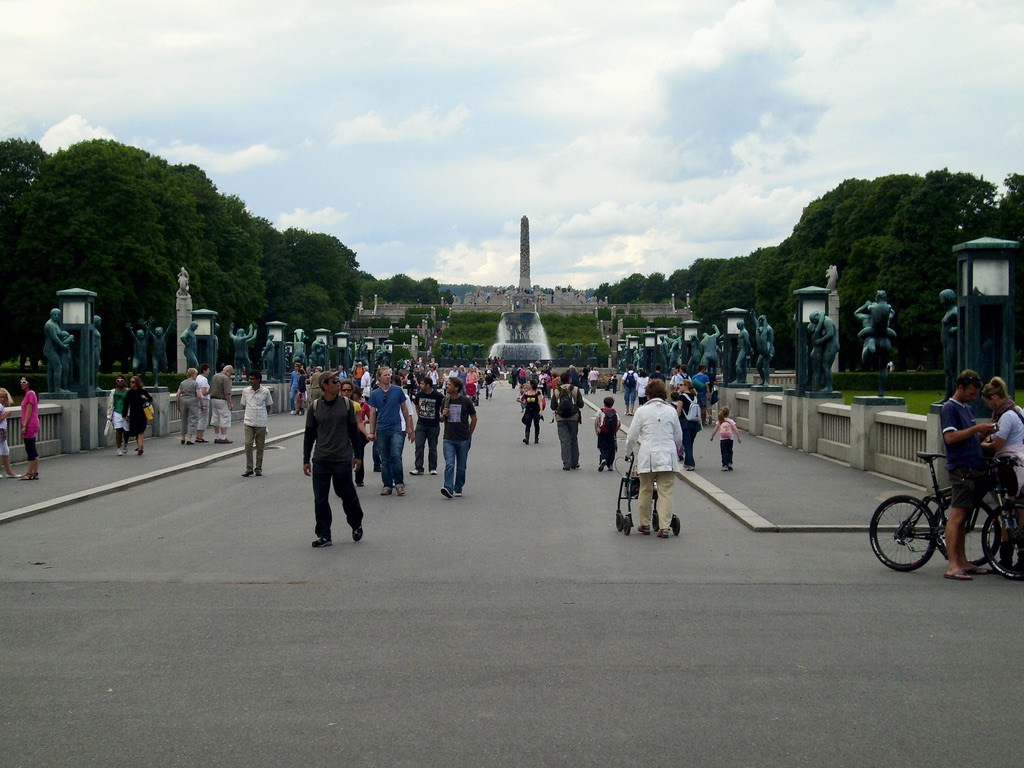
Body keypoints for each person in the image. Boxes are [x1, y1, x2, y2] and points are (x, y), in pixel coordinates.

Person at [940, 370, 997, 580]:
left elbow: (969, 438)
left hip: (972, 466)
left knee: (964, 517)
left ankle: (962, 561)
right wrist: (976, 429)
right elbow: (951, 438)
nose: (974, 397)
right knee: (957, 517)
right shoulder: (950, 408)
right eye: (971, 393)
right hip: (961, 468)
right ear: (961, 388)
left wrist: (984, 433)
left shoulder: (966, 408)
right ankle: (952, 565)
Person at [303, 372, 365, 548]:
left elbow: (354, 432)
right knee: (320, 498)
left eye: (338, 381)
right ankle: (324, 534)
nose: (338, 384)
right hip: (321, 458)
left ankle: (356, 523)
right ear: (324, 385)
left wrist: (358, 455)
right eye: (334, 382)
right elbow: (309, 435)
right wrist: (306, 459)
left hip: (342, 458)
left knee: (347, 494)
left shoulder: (346, 405)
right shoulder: (314, 407)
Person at [624, 379, 682, 537]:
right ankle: (664, 526)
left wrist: (628, 453)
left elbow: (631, 437)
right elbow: (678, 436)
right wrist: (676, 450)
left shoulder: (642, 411)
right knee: (665, 492)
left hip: (648, 456)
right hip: (668, 456)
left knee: (645, 490)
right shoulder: (671, 410)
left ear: (648, 394)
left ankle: (645, 523)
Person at [980, 376, 1024, 571]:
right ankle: (1015, 558)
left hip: (1010, 466)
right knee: (1016, 509)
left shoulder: (1005, 416)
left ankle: (1008, 558)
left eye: (987, 403)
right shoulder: (1018, 410)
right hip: (1020, 465)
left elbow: (997, 445)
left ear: (993, 398)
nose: (989, 408)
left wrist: (981, 444)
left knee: (1007, 511)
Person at [366, 366, 415, 497]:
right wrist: (371, 431)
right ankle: (387, 484)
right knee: (385, 459)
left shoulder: (398, 391)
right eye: (385, 375)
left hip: (396, 428)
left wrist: (409, 427)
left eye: (389, 375)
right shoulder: (375, 394)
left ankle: (399, 484)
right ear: (379, 378)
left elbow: (405, 409)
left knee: (395, 455)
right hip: (382, 429)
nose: (388, 377)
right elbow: (372, 413)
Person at [439, 376, 477, 499]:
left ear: (456, 388)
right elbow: (440, 419)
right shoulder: (445, 401)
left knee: (461, 466)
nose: (447, 386)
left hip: (463, 439)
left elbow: (474, 418)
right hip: (448, 438)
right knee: (449, 464)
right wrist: (443, 415)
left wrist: (469, 433)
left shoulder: (466, 401)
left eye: (449, 384)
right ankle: (448, 487)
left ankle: (458, 487)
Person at [241, 370, 274, 477]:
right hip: (248, 421)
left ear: (258, 380)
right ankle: (249, 468)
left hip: (261, 423)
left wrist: (263, 415)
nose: (250, 381)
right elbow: (243, 405)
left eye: (252, 379)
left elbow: (269, 405)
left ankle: (258, 468)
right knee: (248, 444)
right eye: (249, 379)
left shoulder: (265, 392)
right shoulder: (246, 391)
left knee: (260, 446)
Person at [550, 370, 584, 471]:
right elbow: (580, 404)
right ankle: (574, 462)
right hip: (573, 418)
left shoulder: (557, 391)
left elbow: (553, 406)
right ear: (569, 379)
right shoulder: (575, 389)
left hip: (561, 418)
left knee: (564, 441)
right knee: (573, 439)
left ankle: (566, 463)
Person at [409, 377, 444, 476]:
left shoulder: (438, 396)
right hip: (421, 424)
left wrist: (442, 415)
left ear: (428, 385)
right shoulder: (419, 395)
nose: (420, 385)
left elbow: (444, 405)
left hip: (433, 425)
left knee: (433, 447)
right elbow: (416, 405)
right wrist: (419, 413)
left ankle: (433, 467)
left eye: (422, 384)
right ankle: (418, 467)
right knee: (419, 446)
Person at [343, 380, 371, 487]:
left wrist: (368, 431)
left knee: (359, 455)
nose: (355, 400)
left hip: (360, 434)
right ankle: (347, 479)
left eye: (356, 398)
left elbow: (369, 418)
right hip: (347, 434)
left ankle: (359, 479)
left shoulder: (363, 406)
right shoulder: (345, 405)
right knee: (348, 457)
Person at [16, 378, 41, 479]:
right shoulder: (32, 393)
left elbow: (29, 411)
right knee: (33, 448)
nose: (21, 384)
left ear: (29, 384)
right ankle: (35, 472)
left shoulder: (30, 394)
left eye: (24, 382)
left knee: (29, 448)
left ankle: (29, 473)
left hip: (30, 424)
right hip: (34, 423)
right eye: (21, 382)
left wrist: (24, 425)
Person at [123, 375, 153, 456]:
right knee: (136, 431)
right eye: (130, 382)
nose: (131, 383)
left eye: (133, 382)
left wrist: (145, 398)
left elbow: (150, 399)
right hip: (133, 414)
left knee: (140, 431)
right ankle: (139, 446)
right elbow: (126, 404)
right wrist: (124, 414)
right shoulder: (129, 393)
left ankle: (140, 447)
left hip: (142, 414)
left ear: (137, 383)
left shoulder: (143, 392)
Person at [675, 378, 701, 471]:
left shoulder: (682, 397)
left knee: (686, 443)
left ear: (686, 386)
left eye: (681, 385)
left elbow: (678, 411)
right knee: (690, 443)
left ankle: (690, 463)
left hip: (685, 422)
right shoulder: (695, 397)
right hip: (695, 423)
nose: (679, 386)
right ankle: (687, 462)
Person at [44, 308, 72, 393]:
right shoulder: (50, 324)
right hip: (50, 349)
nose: (56, 316)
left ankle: (51, 389)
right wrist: (63, 345)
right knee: (58, 367)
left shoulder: (55, 324)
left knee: (51, 368)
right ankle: (57, 389)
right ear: (51, 315)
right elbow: (55, 337)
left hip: (54, 349)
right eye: (54, 314)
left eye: (58, 315)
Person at [709, 405, 741, 471]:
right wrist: (739, 437)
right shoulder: (731, 421)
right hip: (730, 438)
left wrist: (712, 436)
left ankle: (724, 465)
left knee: (723, 452)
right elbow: (736, 429)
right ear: (729, 413)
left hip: (722, 439)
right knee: (730, 451)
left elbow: (715, 429)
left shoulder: (720, 421)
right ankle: (729, 462)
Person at [208, 365, 234, 444]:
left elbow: (210, 388)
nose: (230, 375)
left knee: (216, 418)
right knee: (224, 418)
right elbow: (227, 392)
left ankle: (217, 437)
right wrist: (230, 403)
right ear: (228, 371)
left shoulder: (214, 376)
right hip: (222, 400)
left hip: (213, 399)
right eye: (231, 373)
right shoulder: (225, 378)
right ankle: (223, 437)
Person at [940, 289, 958, 402]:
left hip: (952, 343)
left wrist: (956, 329)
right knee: (947, 371)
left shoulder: (955, 310)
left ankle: (954, 397)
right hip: (946, 344)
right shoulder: (949, 311)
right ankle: (948, 397)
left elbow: (966, 323)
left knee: (952, 371)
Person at [106, 375, 130, 456]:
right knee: (118, 430)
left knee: (126, 431)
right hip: (117, 412)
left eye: (121, 380)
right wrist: (109, 415)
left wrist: (129, 413)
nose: (120, 382)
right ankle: (119, 448)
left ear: (124, 381)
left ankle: (126, 443)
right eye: (118, 380)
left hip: (126, 413)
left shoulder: (128, 391)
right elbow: (110, 404)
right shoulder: (113, 392)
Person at [176, 367, 201, 446]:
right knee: (193, 419)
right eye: (196, 374)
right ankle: (189, 438)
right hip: (192, 401)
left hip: (183, 401)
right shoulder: (195, 383)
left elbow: (177, 394)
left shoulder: (183, 383)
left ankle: (183, 437)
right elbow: (199, 395)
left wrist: (178, 404)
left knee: (184, 419)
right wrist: (202, 404)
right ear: (193, 374)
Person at [594, 396, 619, 471]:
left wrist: (596, 430)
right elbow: (618, 423)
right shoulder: (614, 412)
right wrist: (615, 431)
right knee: (611, 448)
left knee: (603, 447)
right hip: (611, 433)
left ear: (604, 403)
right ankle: (610, 464)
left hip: (602, 432)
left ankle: (604, 459)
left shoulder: (601, 411)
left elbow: (596, 421)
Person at [0, 387, 20, 478]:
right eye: (1, 397)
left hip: (2, 430)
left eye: (4, 397)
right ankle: (9, 471)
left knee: (5, 450)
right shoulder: (0, 406)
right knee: (2, 451)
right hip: (1, 429)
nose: (3, 399)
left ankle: (9, 471)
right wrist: (6, 415)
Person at [519, 378, 545, 444]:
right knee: (528, 423)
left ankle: (536, 438)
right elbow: (524, 402)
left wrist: (541, 410)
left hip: (536, 410)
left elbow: (540, 402)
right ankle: (527, 438)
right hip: (528, 410)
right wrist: (520, 401)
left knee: (536, 424)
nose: (527, 385)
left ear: (532, 385)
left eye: (528, 383)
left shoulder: (537, 393)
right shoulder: (526, 393)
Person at [195, 363, 211, 443]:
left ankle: (198, 436)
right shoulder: (204, 380)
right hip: (204, 400)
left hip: (198, 399)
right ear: (204, 370)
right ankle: (200, 437)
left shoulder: (198, 377)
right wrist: (211, 390)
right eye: (208, 370)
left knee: (199, 418)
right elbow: (204, 392)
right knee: (203, 419)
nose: (209, 372)